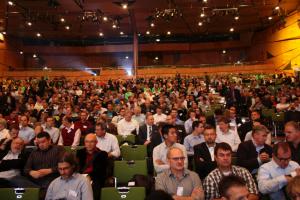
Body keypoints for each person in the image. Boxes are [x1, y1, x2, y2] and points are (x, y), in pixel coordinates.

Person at [76, 134, 108, 200]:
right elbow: (76, 167)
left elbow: (102, 171)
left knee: (95, 186)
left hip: (95, 178)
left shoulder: (102, 154)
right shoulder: (80, 152)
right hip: (80, 177)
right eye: (87, 142)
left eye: (91, 142)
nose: (89, 144)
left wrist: (89, 176)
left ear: (96, 142)